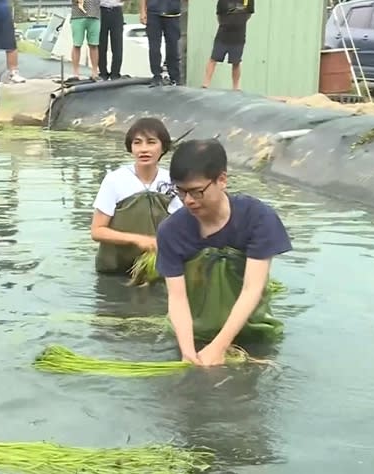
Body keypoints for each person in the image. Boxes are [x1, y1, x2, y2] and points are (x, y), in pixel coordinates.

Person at [156, 139, 291, 367]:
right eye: (180, 191)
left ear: (222, 180)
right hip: (194, 332)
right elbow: (177, 298)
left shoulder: (257, 218)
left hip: (252, 332)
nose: (188, 201)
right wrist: (188, 351)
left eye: (197, 192)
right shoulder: (171, 230)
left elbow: (252, 289)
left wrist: (219, 347)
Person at [91, 117, 182, 274]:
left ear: (163, 147)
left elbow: (180, 225)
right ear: (130, 147)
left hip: (155, 268)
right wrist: (138, 240)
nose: (143, 149)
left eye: (151, 142)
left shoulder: (171, 181)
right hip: (114, 270)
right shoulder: (115, 180)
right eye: (137, 142)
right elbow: (97, 231)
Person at [202, 0, 255, 90]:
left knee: (236, 62)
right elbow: (219, 15)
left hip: (239, 36)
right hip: (223, 34)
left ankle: (236, 87)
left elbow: (249, 14)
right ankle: (205, 84)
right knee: (213, 59)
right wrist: (227, 23)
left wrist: (239, 22)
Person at [140, 0, 182, 87]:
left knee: (173, 47)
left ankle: (174, 77)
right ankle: (156, 76)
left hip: (172, 13)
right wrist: (143, 11)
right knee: (154, 46)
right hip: (154, 12)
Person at [69, 0, 102, 82]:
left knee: (94, 45)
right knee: (77, 44)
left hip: (94, 15)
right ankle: (75, 74)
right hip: (78, 15)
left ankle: (95, 73)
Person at [98, 0, 125, 81]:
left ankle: (115, 73)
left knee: (117, 44)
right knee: (101, 44)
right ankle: (103, 73)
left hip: (116, 10)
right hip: (101, 11)